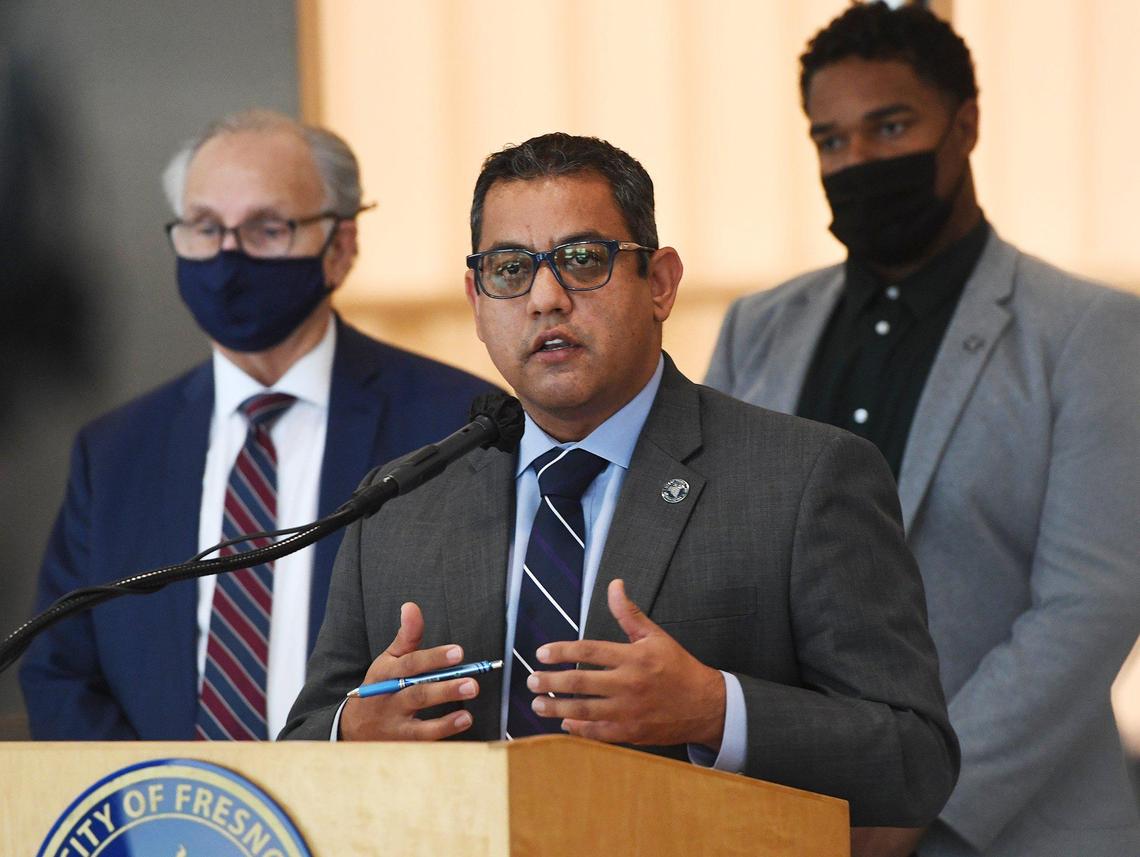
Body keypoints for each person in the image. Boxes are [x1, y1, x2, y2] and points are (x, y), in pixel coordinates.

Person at [282, 131, 958, 828]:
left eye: (581, 259)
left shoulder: (806, 478)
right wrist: (351, 735)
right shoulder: (401, 501)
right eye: (510, 269)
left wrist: (713, 708)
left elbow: (915, 760)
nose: (546, 297)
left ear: (660, 282)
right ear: (477, 300)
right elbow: (300, 749)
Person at [704, 5, 1140, 856]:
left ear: (966, 123)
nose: (858, 161)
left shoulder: (1091, 333)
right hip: (784, 820)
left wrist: (919, 798)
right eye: (831, 141)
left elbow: (1092, 603)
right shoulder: (757, 327)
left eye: (891, 125)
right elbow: (707, 561)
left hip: (1011, 826)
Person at [19, 109, 495, 741]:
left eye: (267, 229)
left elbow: (492, 647)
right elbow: (61, 673)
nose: (228, 257)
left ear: (342, 247)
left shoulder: (456, 426)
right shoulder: (114, 453)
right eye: (205, 227)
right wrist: (158, 818)